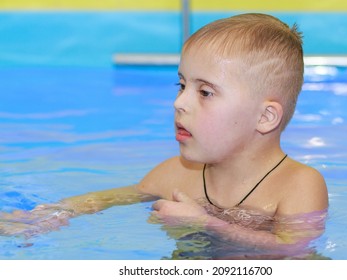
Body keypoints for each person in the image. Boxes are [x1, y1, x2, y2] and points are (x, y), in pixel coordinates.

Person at [0, 13, 328, 258]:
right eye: (182, 85)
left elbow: (296, 251)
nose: (179, 103)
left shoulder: (299, 184)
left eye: (206, 93)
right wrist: (47, 216)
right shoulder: (176, 174)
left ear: (265, 116)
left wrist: (209, 225)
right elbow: (104, 199)